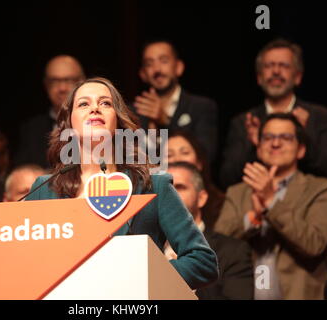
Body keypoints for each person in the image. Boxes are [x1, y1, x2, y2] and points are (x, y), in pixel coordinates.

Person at [25, 77, 219, 290]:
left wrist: (140, 276)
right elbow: (24, 264)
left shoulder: (153, 186)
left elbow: (203, 262)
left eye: (105, 103)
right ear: (68, 122)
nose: (95, 109)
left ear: (118, 121)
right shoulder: (44, 189)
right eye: (83, 104)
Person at [215, 113, 327, 299]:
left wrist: (272, 203)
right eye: (268, 137)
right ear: (258, 147)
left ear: (301, 150)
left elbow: (315, 244)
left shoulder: (322, 190)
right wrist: (253, 217)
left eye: (286, 138)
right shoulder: (238, 192)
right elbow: (218, 248)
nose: (275, 143)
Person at [220, 38, 327, 189]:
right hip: (254, 201)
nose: (276, 71)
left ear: (297, 77)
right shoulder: (244, 121)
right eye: (269, 66)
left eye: (284, 65)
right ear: (259, 77)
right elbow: (227, 179)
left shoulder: (320, 117)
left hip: (309, 201)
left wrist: (306, 135)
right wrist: (255, 145)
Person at [165, 162, 254, 299]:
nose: (170, 194)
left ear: (201, 198)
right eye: (165, 188)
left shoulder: (232, 251)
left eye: (180, 187)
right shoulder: (145, 247)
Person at [134, 40, 218, 164]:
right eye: (149, 64)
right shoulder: (131, 113)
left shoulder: (201, 107)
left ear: (179, 67)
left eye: (164, 61)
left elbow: (206, 157)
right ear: (142, 74)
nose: (157, 69)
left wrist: (165, 123)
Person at [15, 55, 86, 169]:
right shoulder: (31, 129)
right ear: (46, 85)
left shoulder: (98, 122)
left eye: (68, 80)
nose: (62, 88)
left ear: (82, 82)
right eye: (55, 81)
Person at [166, 131, 225, 229]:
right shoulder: (154, 202)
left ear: (199, 162)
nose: (177, 159)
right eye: (169, 155)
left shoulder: (221, 204)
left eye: (185, 153)